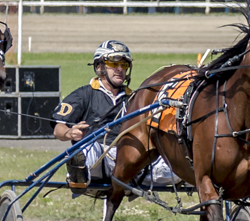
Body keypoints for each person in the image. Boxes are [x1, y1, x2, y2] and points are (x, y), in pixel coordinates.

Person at [53, 40, 174, 193]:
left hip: (129, 159)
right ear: (99, 67)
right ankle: (78, 173)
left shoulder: (136, 99)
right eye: (113, 64)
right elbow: (58, 128)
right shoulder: (83, 94)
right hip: (97, 158)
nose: (119, 69)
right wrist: (69, 133)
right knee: (85, 147)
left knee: (175, 163)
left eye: (124, 65)